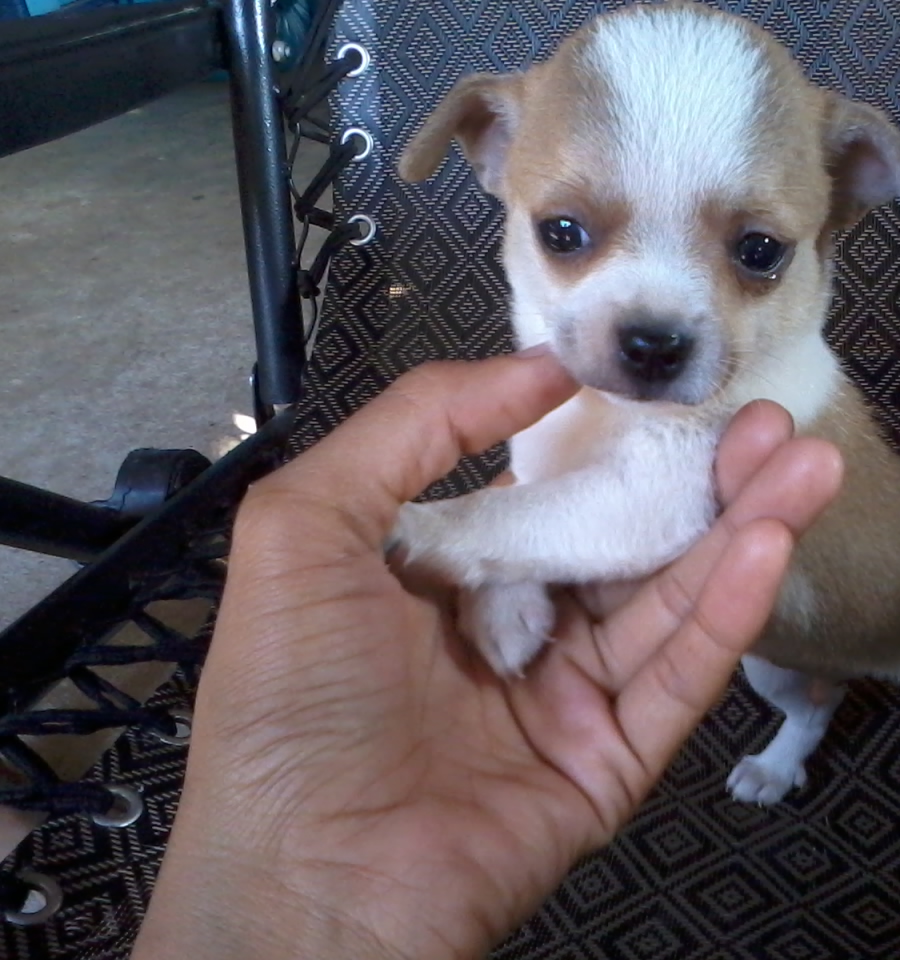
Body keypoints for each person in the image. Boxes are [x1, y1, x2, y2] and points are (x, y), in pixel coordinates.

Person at [132, 348, 843, 960]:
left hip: (835, 622)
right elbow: (561, 490)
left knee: (780, 652)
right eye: (566, 242)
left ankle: (808, 722)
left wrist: (461, 539)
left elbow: (647, 511)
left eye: (755, 252)